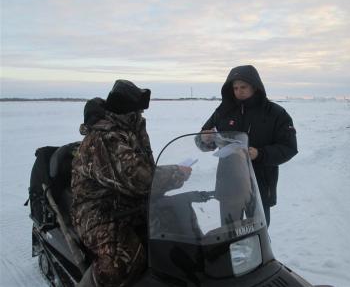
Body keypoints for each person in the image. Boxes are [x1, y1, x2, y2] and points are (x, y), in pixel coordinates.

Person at [71, 80, 191, 287]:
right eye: (137, 110)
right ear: (126, 109)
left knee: (182, 228)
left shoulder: (130, 130)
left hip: (130, 203)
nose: (141, 114)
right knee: (122, 262)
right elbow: (139, 179)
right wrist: (175, 174)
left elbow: (145, 168)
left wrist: (173, 172)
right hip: (99, 209)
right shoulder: (105, 137)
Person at [196, 65, 297, 227]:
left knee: (258, 235)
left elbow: (289, 148)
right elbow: (202, 139)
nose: (239, 91)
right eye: (235, 87)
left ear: (255, 87)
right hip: (229, 184)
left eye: (243, 87)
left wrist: (260, 154)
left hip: (260, 186)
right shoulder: (223, 111)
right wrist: (205, 139)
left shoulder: (275, 113)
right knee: (228, 234)